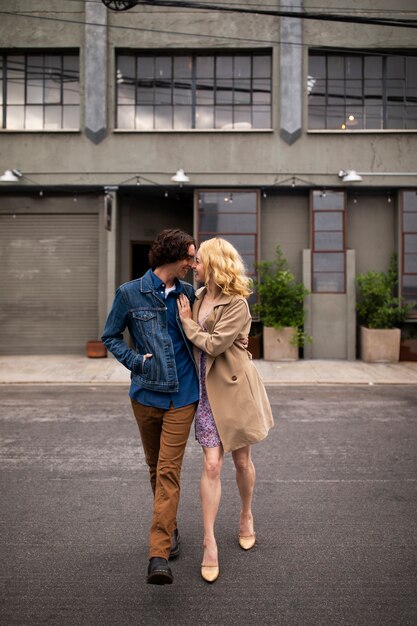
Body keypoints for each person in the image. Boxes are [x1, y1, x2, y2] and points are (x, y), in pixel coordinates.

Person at [101, 228, 199, 586]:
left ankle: (158, 554)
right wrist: (135, 362)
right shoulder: (130, 294)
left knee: (168, 471)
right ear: (173, 256)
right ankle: (169, 527)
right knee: (155, 467)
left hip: (183, 396)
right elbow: (110, 335)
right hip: (145, 394)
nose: (193, 263)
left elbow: (204, 332)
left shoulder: (190, 294)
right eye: (189, 256)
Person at [177, 237, 274, 583]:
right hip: (204, 390)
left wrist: (189, 325)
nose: (194, 265)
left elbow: (216, 344)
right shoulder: (198, 297)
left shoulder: (237, 305)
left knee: (242, 461)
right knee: (212, 463)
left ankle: (246, 514)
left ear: (215, 263)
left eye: (199, 260)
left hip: (232, 389)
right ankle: (209, 542)